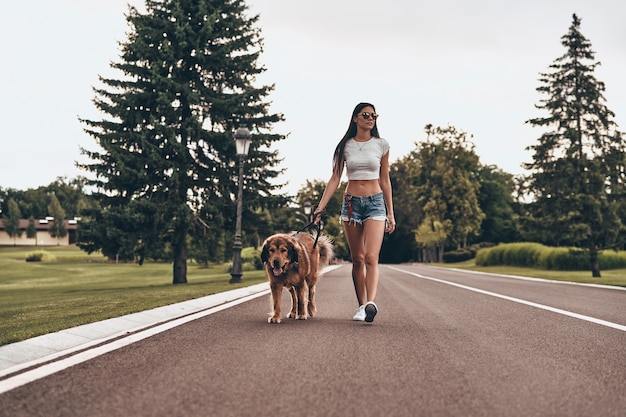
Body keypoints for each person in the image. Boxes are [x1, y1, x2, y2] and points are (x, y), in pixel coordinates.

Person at [312, 102, 395, 323]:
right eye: (366, 115)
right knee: (357, 259)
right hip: (351, 204)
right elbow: (335, 178)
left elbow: (385, 180)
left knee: (371, 257)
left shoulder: (382, 145)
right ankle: (361, 305)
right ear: (355, 118)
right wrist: (320, 207)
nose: (371, 118)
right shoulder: (345, 146)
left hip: (376, 203)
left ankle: (371, 303)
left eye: (374, 115)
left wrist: (391, 213)